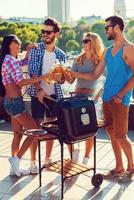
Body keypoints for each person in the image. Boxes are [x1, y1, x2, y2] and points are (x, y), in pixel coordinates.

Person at [70, 15, 134, 180]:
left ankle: (131, 167)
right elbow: (94, 75)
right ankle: (119, 167)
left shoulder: (129, 49)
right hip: (107, 99)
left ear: (117, 28)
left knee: (120, 135)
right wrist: (74, 73)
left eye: (108, 27)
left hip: (120, 100)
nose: (106, 30)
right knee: (112, 134)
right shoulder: (107, 51)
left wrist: (121, 94)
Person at [0, 34, 51, 177]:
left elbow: (21, 63)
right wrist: (42, 78)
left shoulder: (8, 60)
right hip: (15, 103)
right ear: (10, 44)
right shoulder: (11, 60)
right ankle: (16, 159)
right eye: (17, 44)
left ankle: (13, 169)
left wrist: (28, 54)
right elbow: (20, 82)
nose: (19, 46)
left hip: (10, 103)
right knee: (36, 131)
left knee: (17, 134)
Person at [28, 17, 67, 165]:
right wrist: (39, 89)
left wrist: (62, 78)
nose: (44, 34)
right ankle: (32, 162)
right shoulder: (36, 49)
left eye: (48, 32)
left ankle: (47, 159)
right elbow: (32, 72)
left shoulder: (61, 55)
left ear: (56, 33)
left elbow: (63, 80)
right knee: (36, 129)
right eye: (43, 31)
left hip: (54, 96)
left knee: (51, 129)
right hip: (37, 94)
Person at [64, 32, 104, 165]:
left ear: (93, 42)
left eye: (86, 41)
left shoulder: (99, 60)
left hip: (90, 99)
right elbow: (71, 81)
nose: (83, 43)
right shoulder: (78, 59)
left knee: (89, 129)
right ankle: (74, 152)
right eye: (83, 41)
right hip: (77, 97)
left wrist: (97, 97)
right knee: (72, 127)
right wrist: (66, 74)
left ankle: (86, 158)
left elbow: (100, 78)